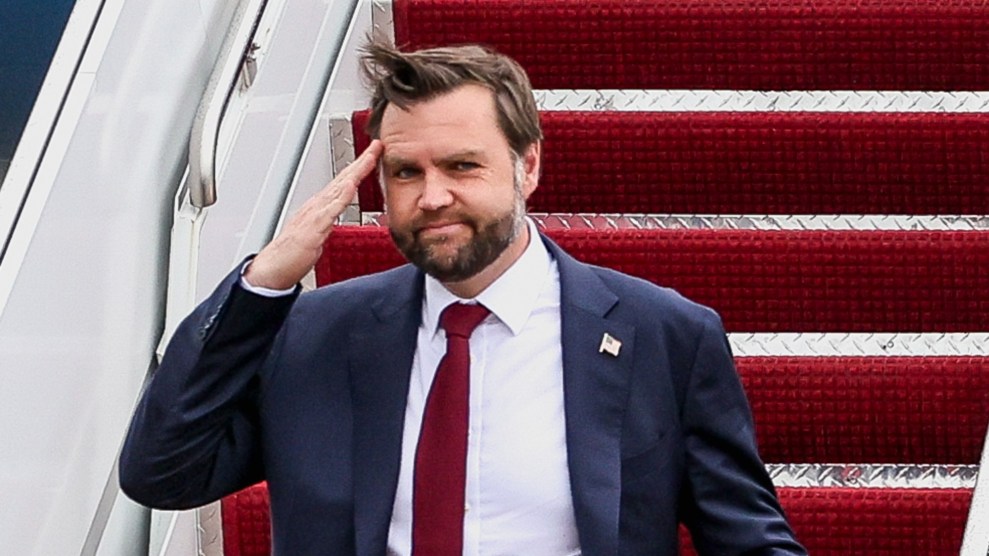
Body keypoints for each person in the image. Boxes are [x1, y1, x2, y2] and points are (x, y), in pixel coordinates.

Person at [119, 40, 806, 555]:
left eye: (461, 165)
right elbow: (163, 474)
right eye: (404, 171)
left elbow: (746, 539)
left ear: (527, 165)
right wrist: (263, 284)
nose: (432, 196)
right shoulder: (312, 333)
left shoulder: (664, 336)